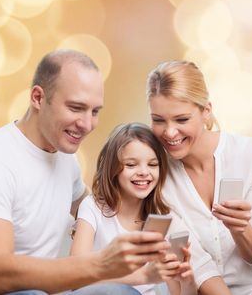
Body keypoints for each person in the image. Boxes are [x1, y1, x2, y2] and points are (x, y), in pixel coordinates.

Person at [0, 50, 170, 295]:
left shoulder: (65, 157)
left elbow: (90, 205)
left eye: (94, 112)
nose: (87, 124)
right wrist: (101, 264)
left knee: (121, 291)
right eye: (75, 108)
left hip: (46, 293)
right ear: (38, 98)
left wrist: (139, 205)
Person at [146, 60, 252, 295]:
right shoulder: (156, 176)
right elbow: (196, 263)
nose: (169, 132)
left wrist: (241, 230)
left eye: (181, 119)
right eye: (158, 120)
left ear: (206, 111)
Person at [71, 122, 197, 295]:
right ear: (113, 168)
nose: (144, 172)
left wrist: (187, 282)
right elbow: (75, 277)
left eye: (153, 164)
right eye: (131, 165)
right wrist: (142, 276)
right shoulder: (93, 207)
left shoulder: (164, 218)